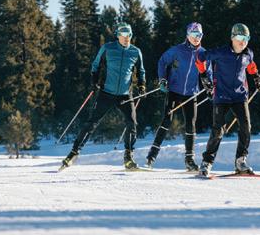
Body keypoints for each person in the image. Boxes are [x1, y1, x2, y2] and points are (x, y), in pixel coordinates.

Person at [61, 23, 146, 170]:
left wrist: (142, 86)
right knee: (91, 123)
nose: (126, 38)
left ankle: (128, 157)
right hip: (106, 93)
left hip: (125, 95)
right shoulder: (107, 48)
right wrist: (94, 82)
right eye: (123, 35)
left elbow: (141, 71)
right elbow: (95, 66)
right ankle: (74, 153)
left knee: (132, 124)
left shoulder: (135, 52)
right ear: (118, 36)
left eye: (129, 35)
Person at [199, 23, 260, 177]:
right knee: (218, 130)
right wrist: (204, 76)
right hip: (221, 95)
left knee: (246, 126)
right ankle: (207, 162)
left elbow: (251, 66)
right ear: (232, 38)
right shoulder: (221, 52)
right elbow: (201, 58)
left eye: (246, 38)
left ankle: (240, 161)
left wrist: (257, 77)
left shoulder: (248, 54)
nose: (243, 41)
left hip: (239, 96)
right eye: (240, 37)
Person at [145, 22, 212, 171]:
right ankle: (151, 156)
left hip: (191, 93)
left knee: (191, 124)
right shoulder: (177, 50)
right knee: (166, 120)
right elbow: (162, 61)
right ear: (187, 35)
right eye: (194, 34)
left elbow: (208, 74)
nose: (196, 38)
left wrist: (210, 89)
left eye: (199, 35)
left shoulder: (204, 54)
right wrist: (163, 79)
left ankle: (189, 160)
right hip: (174, 91)